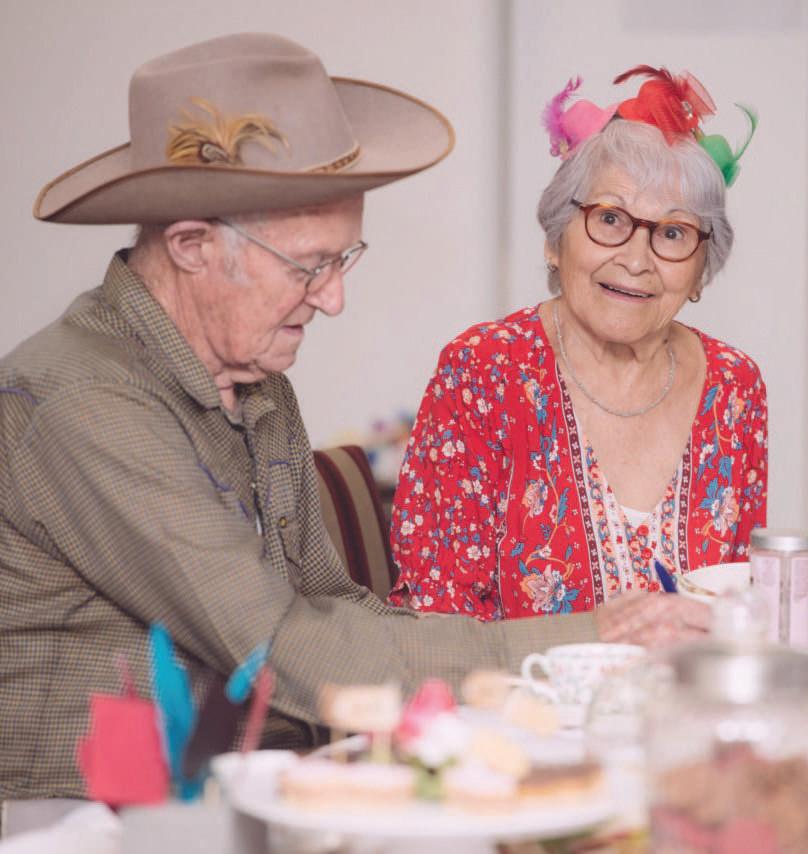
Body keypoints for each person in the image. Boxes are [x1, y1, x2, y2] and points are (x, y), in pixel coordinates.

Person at [0, 39, 708, 805]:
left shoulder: (256, 381)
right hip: (93, 820)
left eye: (344, 260)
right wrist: (584, 639)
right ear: (192, 246)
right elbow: (286, 649)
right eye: (309, 265)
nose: (332, 299)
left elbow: (334, 609)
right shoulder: (85, 403)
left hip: (255, 791)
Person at [390, 66, 766, 620]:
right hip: (513, 681)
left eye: (672, 233)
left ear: (701, 270)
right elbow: (437, 616)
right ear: (554, 240)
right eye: (609, 218)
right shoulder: (484, 370)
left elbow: (742, 602)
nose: (636, 260)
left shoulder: (734, 385)